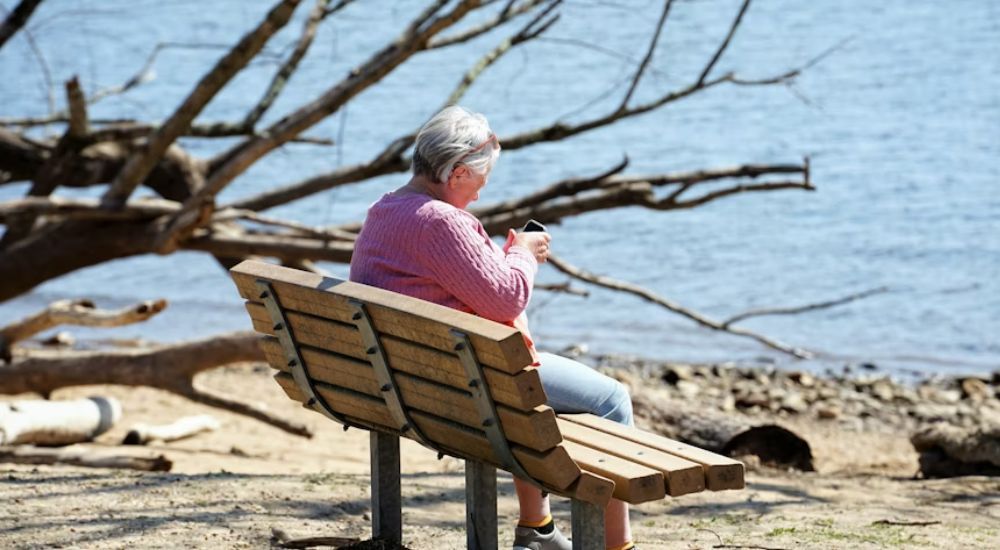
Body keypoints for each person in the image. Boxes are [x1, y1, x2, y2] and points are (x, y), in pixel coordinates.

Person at [350, 105, 637, 550]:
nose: (481, 194)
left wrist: (499, 261)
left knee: (521, 388)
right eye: (480, 180)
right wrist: (522, 251)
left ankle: (537, 527)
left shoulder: (384, 211)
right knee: (611, 399)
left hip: (404, 379)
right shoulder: (442, 221)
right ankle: (616, 544)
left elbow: (448, 285)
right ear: (458, 172)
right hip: (464, 386)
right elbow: (507, 297)